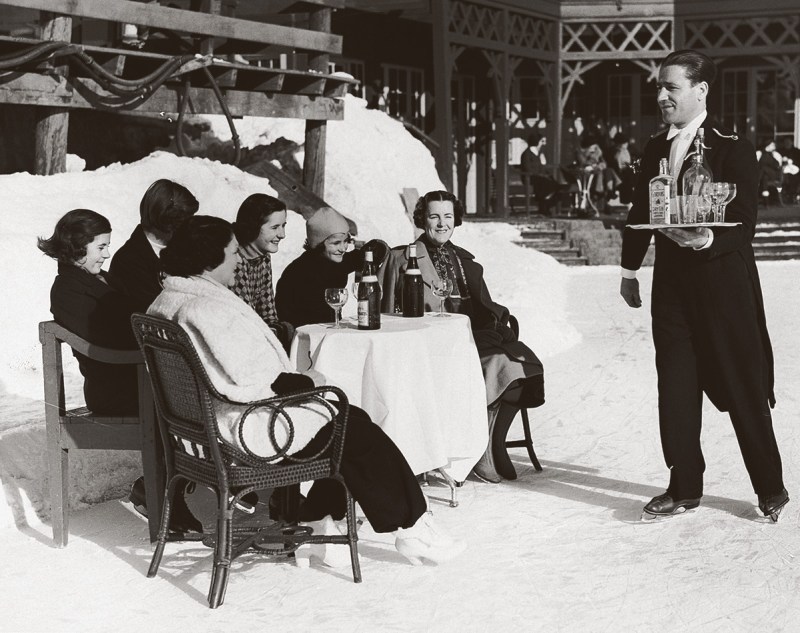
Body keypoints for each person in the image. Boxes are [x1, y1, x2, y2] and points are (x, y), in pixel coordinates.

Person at [148, 215, 465, 566]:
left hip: (209, 424)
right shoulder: (204, 307)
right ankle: (413, 527)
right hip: (248, 427)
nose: (238, 260)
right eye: (233, 253)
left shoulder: (171, 300)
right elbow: (252, 377)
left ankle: (316, 523)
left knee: (348, 425)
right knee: (355, 430)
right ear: (209, 260)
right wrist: (307, 381)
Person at [619, 49, 789, 521]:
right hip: (671, 287)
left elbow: (745, 221)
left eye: (670, 87)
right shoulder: (655, 146)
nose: (660, 96)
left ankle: (770, 488)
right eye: (659, 86)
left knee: (741, 383)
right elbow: (641, 210)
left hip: (723, 286)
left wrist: (705, 237)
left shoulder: (733, 146)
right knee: (674, 385)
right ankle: (683, 486)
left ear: (701, 90)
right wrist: (630, 269)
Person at [380, 191, 545, 483]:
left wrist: (497, 321)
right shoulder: (401, 258)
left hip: (468, 342)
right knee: (504, 365)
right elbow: (385, 313)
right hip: (428, 351)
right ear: (422, 219)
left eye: (448, 216)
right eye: (434, 216)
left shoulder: (465, 261)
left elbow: (484, 306)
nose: (442, 224)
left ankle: (491, 444)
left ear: (456, 219)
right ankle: (482, 448)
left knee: (523, 366)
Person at [38, 209, 139, 415]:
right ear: (77, 245)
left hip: (137, 376)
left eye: (107, 246)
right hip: (116, 390)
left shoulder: (100, 278)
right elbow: (107, 339)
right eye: (101, 247)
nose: (107, 254)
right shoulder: (67, 289)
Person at [275, 207, 388, 328]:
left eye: (346, 241)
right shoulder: (300, 272)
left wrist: (376, 249)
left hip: (330, 328)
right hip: (306, 332)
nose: (343, 248)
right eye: (336, 243)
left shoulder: (335, 260)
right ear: (318, 244)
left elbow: (366, 254)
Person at [110, 179, 199, 313]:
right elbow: (155, 309)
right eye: (185, 221)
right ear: (170, 221)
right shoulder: (129, 261)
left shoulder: (182, 248)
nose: (189, 226)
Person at [231, 193, 295, 350]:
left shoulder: (263, 256)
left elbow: (268, 312)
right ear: (253, 226)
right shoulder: (234, 260)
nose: (282, 234)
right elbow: (247, 320)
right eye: (274, 227)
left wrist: (277, 329)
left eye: (283, 226)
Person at [520, 132, 564, 216]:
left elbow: (542, 168)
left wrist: (545, 172)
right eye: (541, 141)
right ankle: (544, 206)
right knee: (546, 184)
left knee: (557, 186)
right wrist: (541, 174)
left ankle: (545, 205)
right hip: (531, 178)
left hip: (539, 178)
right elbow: (527, 168)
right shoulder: (527, 154)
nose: (543, 143)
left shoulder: (539, 153)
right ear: (537, 142)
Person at [757, 140, 783, 207]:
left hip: (774, 174)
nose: (774, 146)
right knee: (765, 176)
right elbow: (754, 165)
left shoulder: (775, 154)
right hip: (764, 175)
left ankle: (757, 182)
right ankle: (766, 202)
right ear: (767, 145)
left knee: (763, 168)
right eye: (772, 145)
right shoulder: (759, 153)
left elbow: (778, 166)